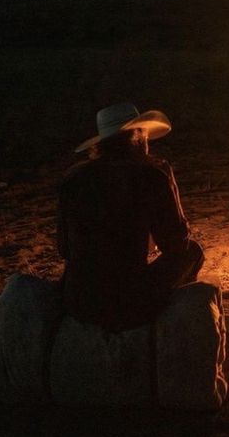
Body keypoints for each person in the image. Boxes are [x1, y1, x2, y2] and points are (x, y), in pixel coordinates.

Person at [57, 102, 204, 332]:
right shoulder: (150, 175)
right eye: (144, 134)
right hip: (127, 303)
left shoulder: (74, 177)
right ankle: (170, 326)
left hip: (78, 301)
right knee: (193, 252)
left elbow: (64, 249)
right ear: (137, 136)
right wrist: (169, 183)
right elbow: (176, 243)